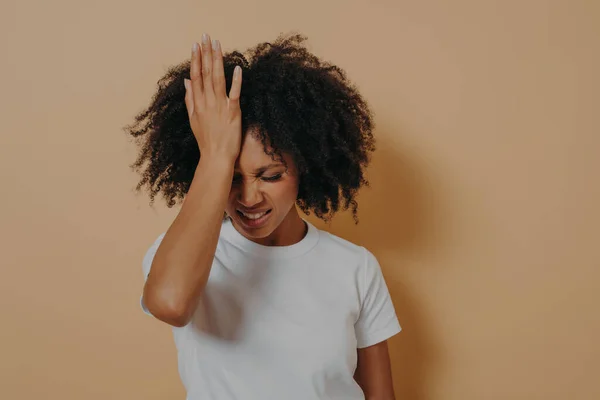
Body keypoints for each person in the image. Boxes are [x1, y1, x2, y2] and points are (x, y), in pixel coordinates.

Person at [126, 32, 402, 400]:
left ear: (305, 167)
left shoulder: (355, 267)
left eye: (270, 175)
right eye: (231, 178)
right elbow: (170, 304)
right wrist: (215, 154)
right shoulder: (182, 257)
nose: (249, 197)